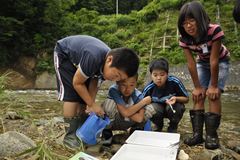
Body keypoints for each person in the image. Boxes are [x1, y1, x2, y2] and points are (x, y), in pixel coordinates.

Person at [53, 35, 139, 149]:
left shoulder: (106, 65)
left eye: (119, 79)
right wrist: (92, 104)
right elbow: (77, 83)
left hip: (82, 61)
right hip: (64, 55)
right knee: (72, 97)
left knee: (84, 99)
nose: (115, 79)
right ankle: (69, 136)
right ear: (109, 60)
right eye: (116, 75)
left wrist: (90, 103)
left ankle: (80, 131)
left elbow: (94, 81)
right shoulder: (93, 57)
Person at [178, 1, 230, 150]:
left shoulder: (214, 31)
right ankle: (197, 134)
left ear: (201, 18)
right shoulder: (184, 39)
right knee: (198, 95)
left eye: (192, 20)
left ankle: (212, 135)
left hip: (220, 61)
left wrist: (213, 86)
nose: (188, 26)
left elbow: (214, 60)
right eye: (184, 23)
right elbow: (191, 64)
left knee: (213, 94)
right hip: (202, 63)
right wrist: (197, 87)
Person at [101, 73, 152, 145]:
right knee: (109, 104)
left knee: (149, 110)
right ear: (117, 83)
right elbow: (125, 113)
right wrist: (143, 102)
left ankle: (135, 132)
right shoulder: (114, 90)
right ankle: (106, 133)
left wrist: (123, 110)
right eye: (123, 85)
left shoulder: (138, 95)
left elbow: (139, 118)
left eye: (131, 85)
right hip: (114, 121)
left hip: (129, 122)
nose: (127, 89)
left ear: (136, 84)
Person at [141, 58, 189, 133]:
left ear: (167, 74)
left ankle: (173, 127)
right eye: (155, 75)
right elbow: (140, 104)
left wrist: (176, 98)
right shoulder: (149, 88)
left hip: (171, 108)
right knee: (150, 108)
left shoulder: (174, 82)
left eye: (162, 75)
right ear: (151, 75)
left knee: (178, 107)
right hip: (158, 111)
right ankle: (158, 125)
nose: (159, 78)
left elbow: (186, 99)